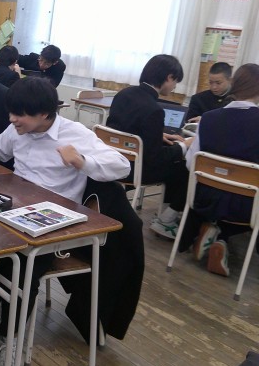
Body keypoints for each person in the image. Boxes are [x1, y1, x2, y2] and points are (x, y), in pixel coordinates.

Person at [0, 77, 131, 366]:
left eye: (19, 114)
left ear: (45, 113)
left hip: (51, 224)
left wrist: (82, 161)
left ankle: (12, 341)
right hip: (13, 210)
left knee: (23, 271)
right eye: (11, 112)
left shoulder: (74, 133)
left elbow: (121, 165)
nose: (12, 119)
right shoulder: (18, 129)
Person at [181, 63, 259, 276]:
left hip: (204, 199)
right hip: (246, 205)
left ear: (233, 84)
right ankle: (221, 235)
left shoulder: (208, 118)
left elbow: (191, 163)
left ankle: (216, 233)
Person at [106, 54, 193, 239]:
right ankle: (166, 220)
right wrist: (184, 146)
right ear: (169, 77)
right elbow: (155, 158)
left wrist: (157, 135)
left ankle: (166, 217)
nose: (175, 86)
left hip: (114, 161)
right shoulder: (154, 109)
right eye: (175, 81)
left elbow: (124, 130)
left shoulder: (123, 94)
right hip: (136, 170)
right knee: (184, 168)